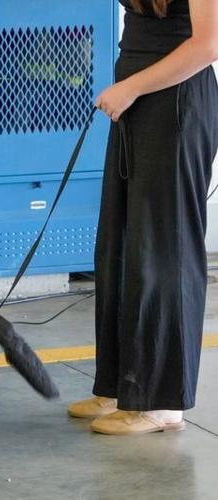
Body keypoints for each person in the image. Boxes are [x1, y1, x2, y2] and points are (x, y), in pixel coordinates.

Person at [68, 0, 218, 435]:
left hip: (175, 100)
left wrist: (132, 87)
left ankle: (161, 402)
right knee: (119, 245)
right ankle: (118, 386)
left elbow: (207, 45)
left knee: (161, 249)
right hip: (136, 98)